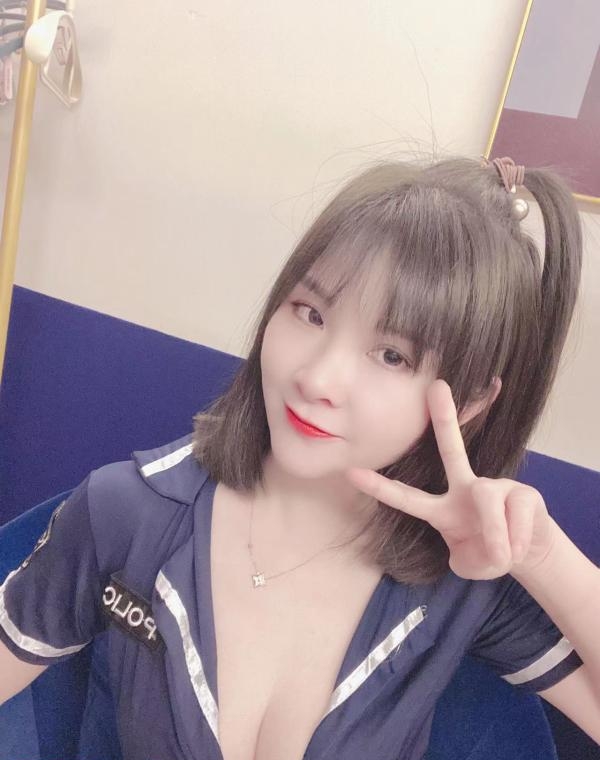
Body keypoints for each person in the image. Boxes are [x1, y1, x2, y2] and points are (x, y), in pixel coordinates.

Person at [0, 155, 598, 760]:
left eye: (392, 355)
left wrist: (540, 554)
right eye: (311, 313)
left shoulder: (468, 575)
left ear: (469, 403)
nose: (316, 378)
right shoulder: (131, 511)